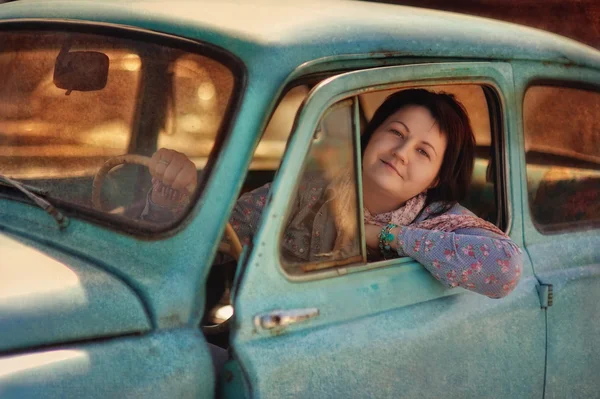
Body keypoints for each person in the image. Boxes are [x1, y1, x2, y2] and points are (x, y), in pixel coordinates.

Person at [142, 89, 522, 299]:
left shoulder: (440, 220)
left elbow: (503, 269)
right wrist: (173, 199)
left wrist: (380, 235)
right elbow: (225, 236)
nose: (401, 152)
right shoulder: (307, 191)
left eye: (423, 152)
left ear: (436, 178)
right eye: (396, 133)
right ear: (371, 136)